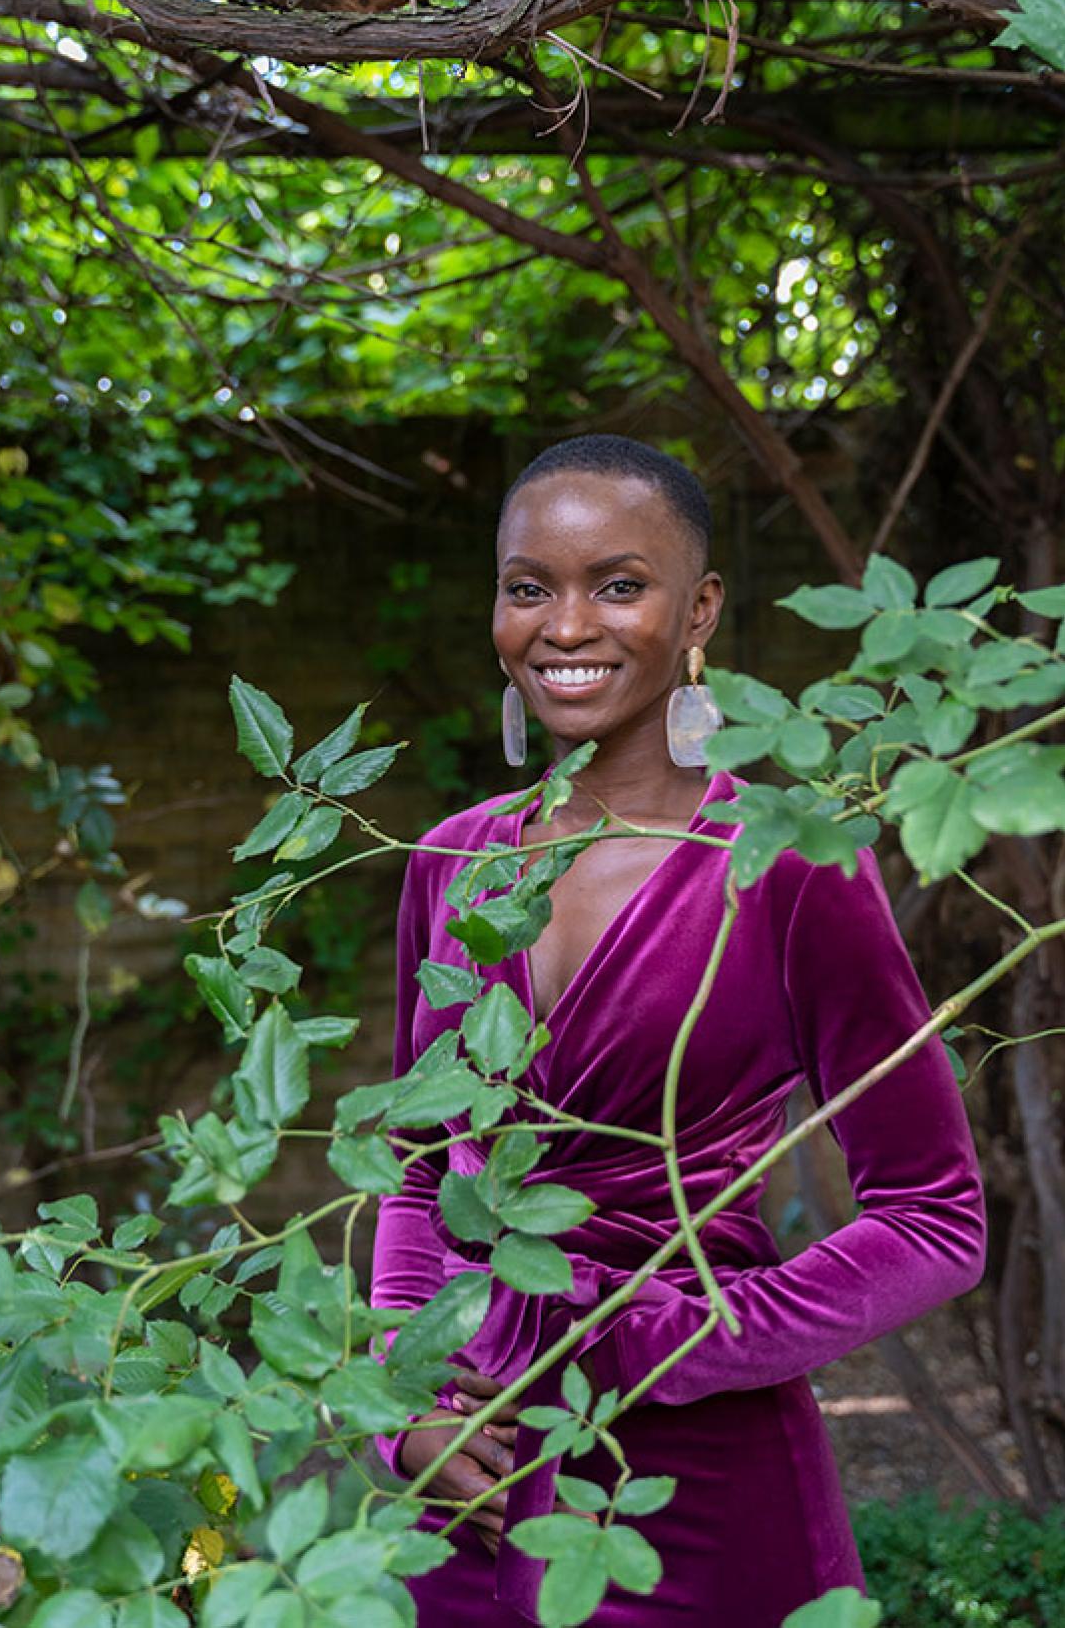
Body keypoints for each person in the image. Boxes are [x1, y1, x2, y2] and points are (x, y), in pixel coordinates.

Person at [370, 433, 987, 1626]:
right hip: (468, 1486)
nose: (564, 627)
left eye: (617, 584)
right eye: (528, 587)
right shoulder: (449, 862)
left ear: (698, 607)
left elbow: (937, 1217)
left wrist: (676, 1337)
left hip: (690, 1495)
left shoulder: (790, 861)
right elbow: (413, 1175)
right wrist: (407, 1404)